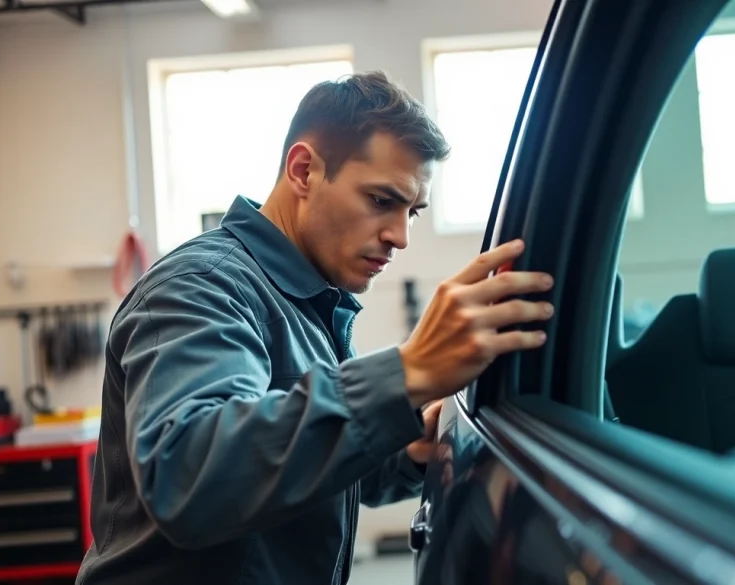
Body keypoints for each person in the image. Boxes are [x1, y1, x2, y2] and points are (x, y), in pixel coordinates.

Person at [76, 71, 554, 585]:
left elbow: (288, 469)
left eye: (413, 211)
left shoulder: (306, 300)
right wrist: (405, 372)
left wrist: (405, 447)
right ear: (303, 170)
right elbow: (192, 479)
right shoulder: (202, 287)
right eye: (380, 201)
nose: (400, 237)